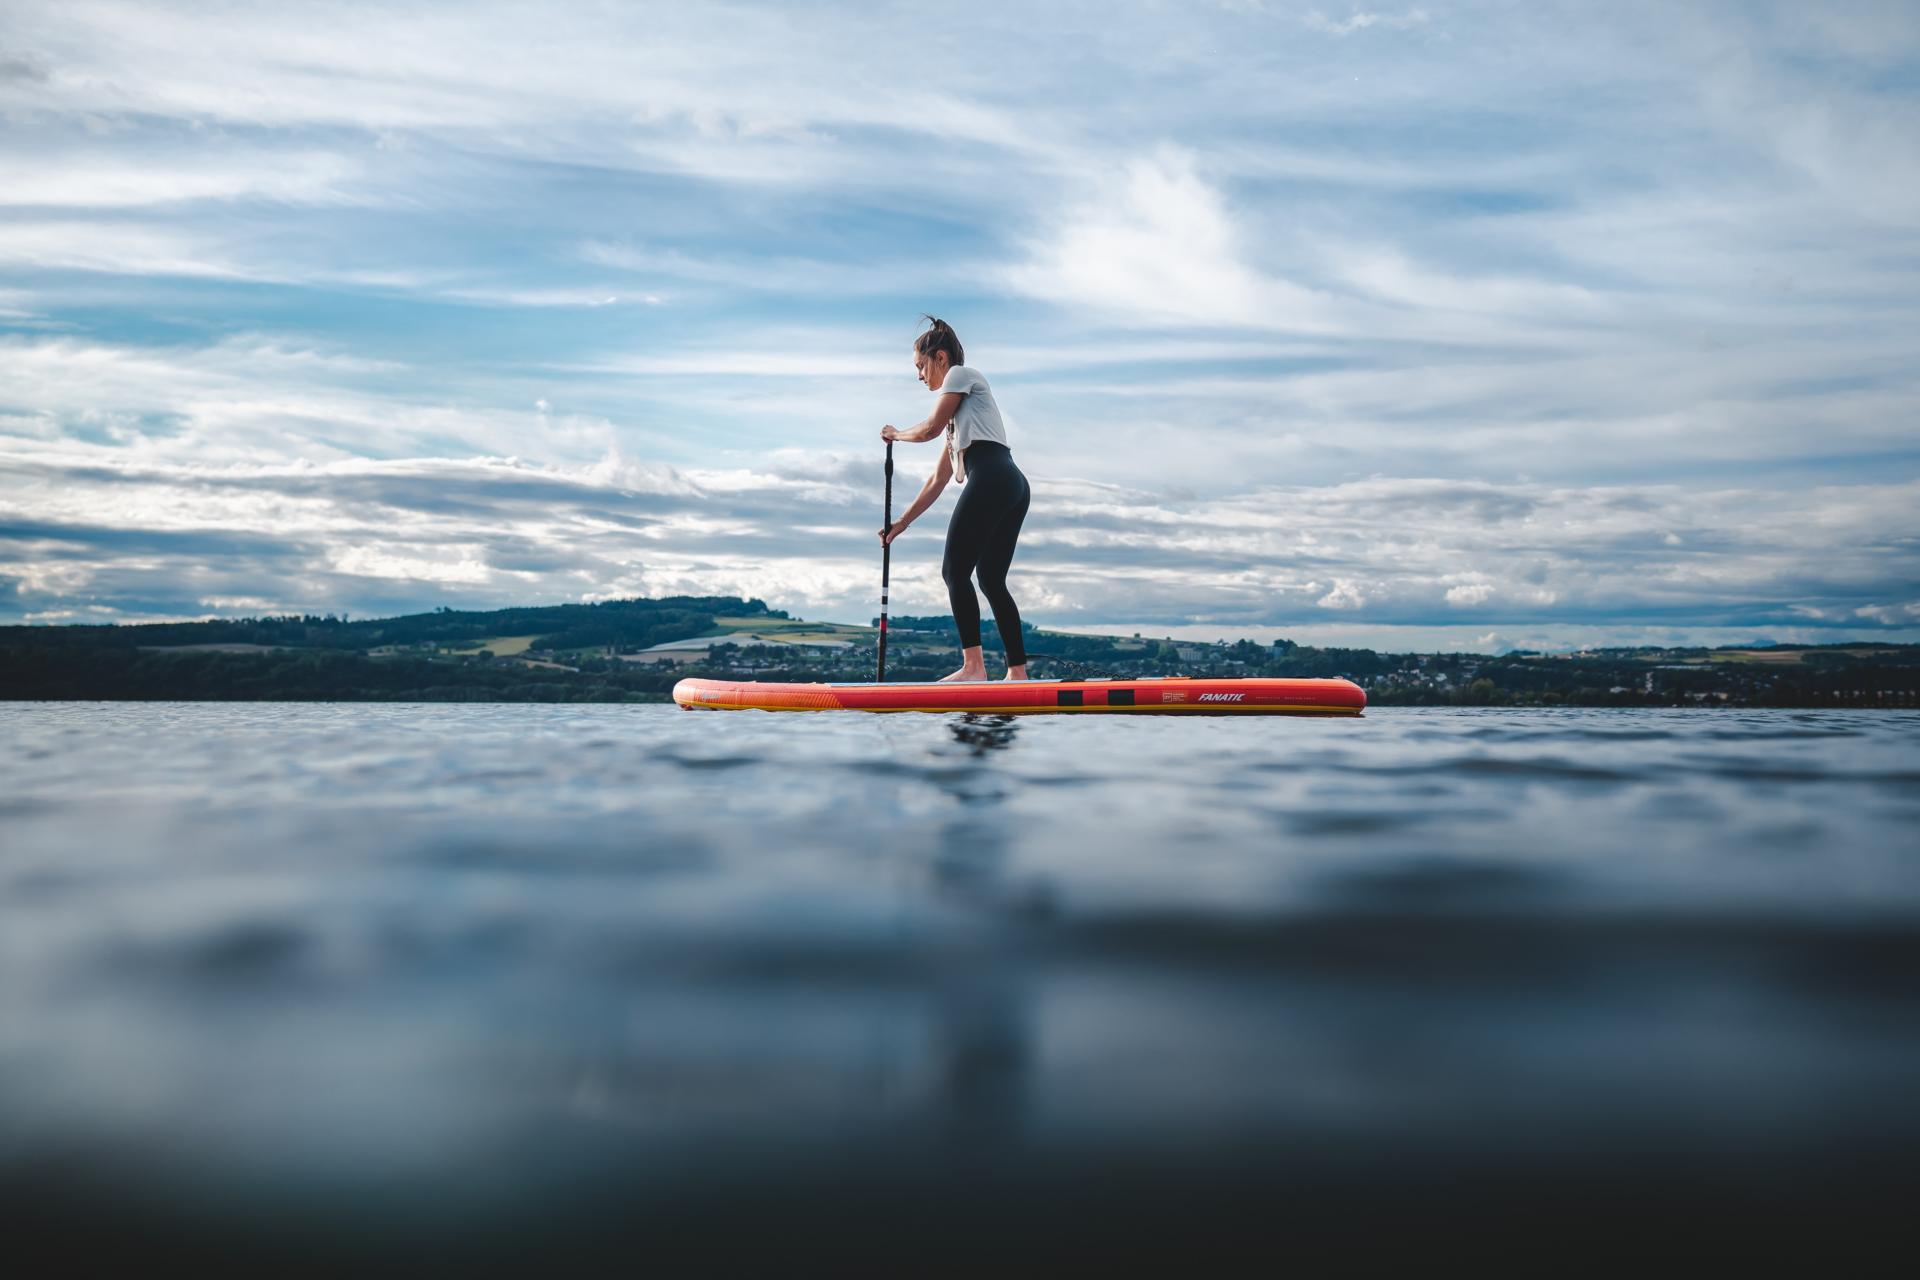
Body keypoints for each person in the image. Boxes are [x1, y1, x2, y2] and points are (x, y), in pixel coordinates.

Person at [880, 317, 1031, 682]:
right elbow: (938, 478)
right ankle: (1018, 674)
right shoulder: (958, 423)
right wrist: (902, 523)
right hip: (1011, 483)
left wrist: (896, 434)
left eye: (921, 365)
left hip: (994, 476)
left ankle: (973, 668)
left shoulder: (961, 375)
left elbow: (929, 428)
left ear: (941, 357)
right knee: (991, 580)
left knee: (954, 570)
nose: (919, 376)